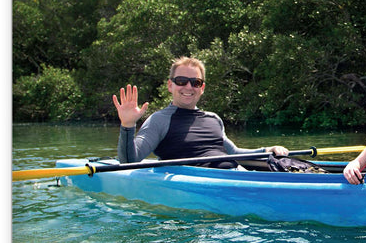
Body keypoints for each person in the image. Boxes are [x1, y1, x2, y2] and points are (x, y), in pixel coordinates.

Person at [113, 56, 288, 168]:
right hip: (205, 184)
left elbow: (234, 153)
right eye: (181, 81)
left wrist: (268, 149)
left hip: (234, 173)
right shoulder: (159, 120)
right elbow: (129, 162)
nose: (188, 87)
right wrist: (127, 125)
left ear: (202, 88)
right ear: (170, 85)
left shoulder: (213, 119)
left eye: (195, 82)